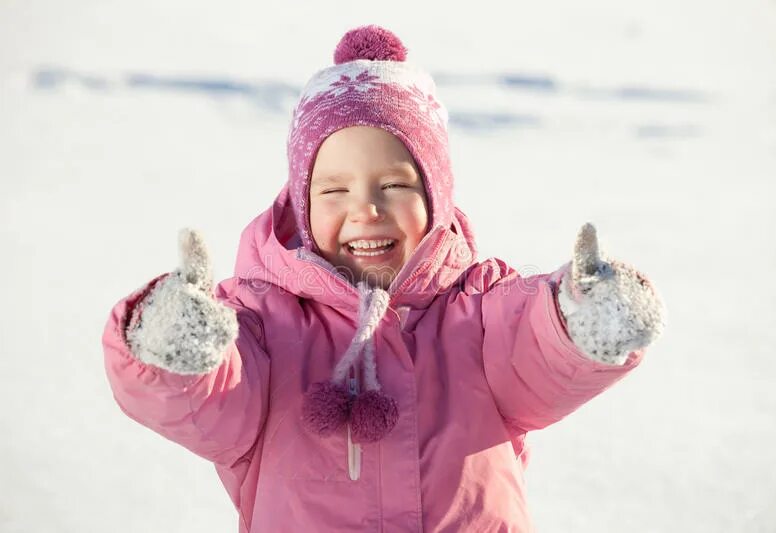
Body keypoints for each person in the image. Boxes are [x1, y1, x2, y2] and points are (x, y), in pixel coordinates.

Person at [102, 25, 666, 532]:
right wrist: (175, 346)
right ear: (301, 203)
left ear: (437, 197)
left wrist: (582, 315)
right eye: (334, 190)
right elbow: (210, 400)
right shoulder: (263, 323)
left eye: (394, 186)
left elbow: (538, 348)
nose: (365, 209)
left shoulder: (476, 309)